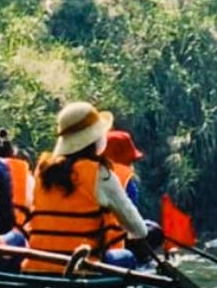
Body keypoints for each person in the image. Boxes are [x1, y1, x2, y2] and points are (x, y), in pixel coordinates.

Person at [24, 101, 156, 272]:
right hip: (81, 269)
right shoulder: (100, 174)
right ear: (95, 139)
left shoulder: (42, 169)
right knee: (126, 257)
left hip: (38, 267)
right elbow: (139, 230)